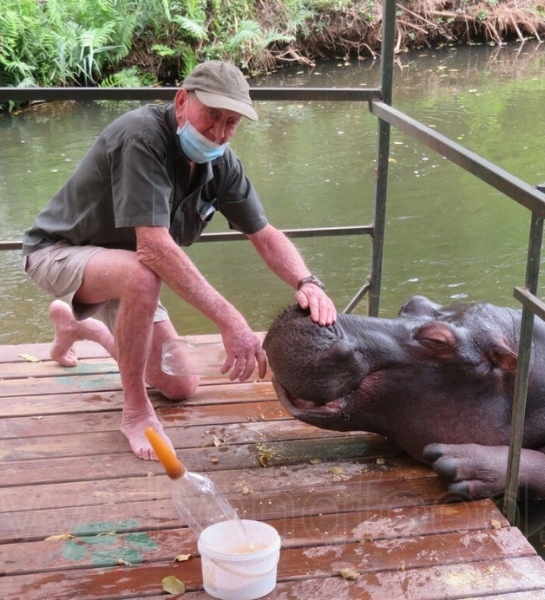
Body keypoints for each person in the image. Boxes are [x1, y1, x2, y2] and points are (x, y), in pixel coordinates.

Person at [22, 60, 337, 461]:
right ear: (182, 100)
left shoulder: (220, 161)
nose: (219, 132)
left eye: (231, 123)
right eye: (212, 116)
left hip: (124, 266)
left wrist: (306, 281)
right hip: (57, 251)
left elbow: (264, 233)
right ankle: (135, 411)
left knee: (180, 383)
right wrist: (231, 321)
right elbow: (153, 247)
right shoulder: (142, 136)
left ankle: (80, 328)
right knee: (142, 273)